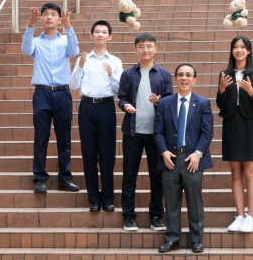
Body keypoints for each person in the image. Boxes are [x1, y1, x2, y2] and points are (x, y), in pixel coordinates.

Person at [154, 64, 214, 254]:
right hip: (170, 159)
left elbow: (207, 132)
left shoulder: (203, 103)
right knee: (171, 202)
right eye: (180, 75)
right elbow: (158, 131)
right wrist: (163, 151)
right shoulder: (165, 103)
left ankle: (196, 240)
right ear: (175, 79)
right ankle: (172, 239)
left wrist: (198, 153)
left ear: (194, 80)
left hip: (192, 160)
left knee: (195, 202)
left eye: (188, 75)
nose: (184, 78)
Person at [22, 3, 80, 193]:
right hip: (42, 93)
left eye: (53, 14)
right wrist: (30, 25)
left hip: (63, 93)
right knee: (41, 137)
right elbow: (25, 48)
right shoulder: (36, 42)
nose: (49, 17)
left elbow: (74, 52)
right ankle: (39, 178)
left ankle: (64, 178)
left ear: (58, 19)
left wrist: (69, 26)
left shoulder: (64, 40)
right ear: (41, 19)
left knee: (64, 137)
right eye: (45, 14)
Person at [118, 33, 174, 231]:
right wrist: (125, 106)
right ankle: (129, 216)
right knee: (129, 175)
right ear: (136, 49)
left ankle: (157, 216)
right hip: (133, 132)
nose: (145, 50)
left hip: (156, 133)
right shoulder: (128, 74)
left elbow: (170, 102)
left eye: (149, 46)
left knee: (157, 175)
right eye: (141, 46)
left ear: (155, 49)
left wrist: (159, 103)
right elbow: (122, 98)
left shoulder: (165, 75)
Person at [69, 20, 123, 211]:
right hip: (87, 108)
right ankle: (93, 199)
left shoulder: (115, 61)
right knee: (89, 154)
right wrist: (80, 66)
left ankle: (107, 199)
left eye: (104, 32)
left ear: (110, 37)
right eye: (97, 32)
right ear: (91, 35)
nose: (100, 35)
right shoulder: (83, 59)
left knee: (107, 155)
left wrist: (111, 75)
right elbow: (73, 85)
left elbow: (120, 91)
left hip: (107, 107)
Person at [216, 36, 253, 232]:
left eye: (243, 47)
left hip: (249, 124)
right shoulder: (225, 73)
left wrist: (251, 90)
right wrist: (221, 90)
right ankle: (239, 215)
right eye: (235, 47)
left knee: (249, 172)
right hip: (231, 124)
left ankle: (251, 217)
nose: (239, 50)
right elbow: (221, 105)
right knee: (235, 172)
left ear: (249, 51)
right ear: (232, 50)